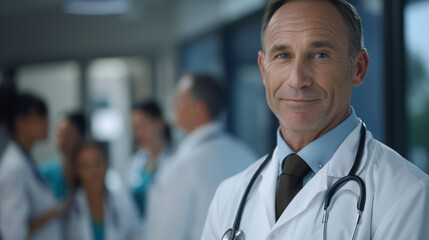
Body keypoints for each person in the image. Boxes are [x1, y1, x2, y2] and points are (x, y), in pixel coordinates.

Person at [202, 0, 429, 239]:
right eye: (282, 55)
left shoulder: (407, 194)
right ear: (263, 70)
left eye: (320, 55)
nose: (297, 79)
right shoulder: (229, 197)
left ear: (358, 68)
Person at [145, 73, 257, 240]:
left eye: (179, 100)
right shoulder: (247, 155)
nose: (173, 106)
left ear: (199, 107)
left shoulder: (181, 166)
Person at [0, 93, 64, 240]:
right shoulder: (13, 169)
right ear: (20, 122)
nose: (47, 122)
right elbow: (13, 234)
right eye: (41, 116)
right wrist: (54, 212)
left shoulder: (24, 160)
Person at [64, 141, 140, 240]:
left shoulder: (123, 203)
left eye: (98, 163)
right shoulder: (69, 210)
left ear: (106, 165)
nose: (93, 172)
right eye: (86, 166)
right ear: (77, 170)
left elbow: (138, 235)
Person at [128, 100, 174, 219]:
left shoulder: (176, 161)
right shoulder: (135, 163)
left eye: (142, 126)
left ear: (159, 123)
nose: (138, 133)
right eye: (134, 128)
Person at [39, 111, 86, 200]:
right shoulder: (44, 173)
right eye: (59, 135)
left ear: (80, 137)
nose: (62, 141)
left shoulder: (89, 173)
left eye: (67, 135)